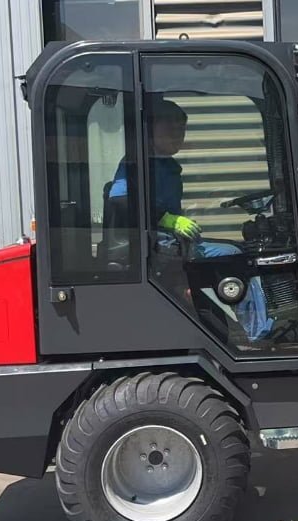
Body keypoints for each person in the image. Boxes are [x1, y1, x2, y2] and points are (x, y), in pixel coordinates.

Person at [109, 98, 273, 340]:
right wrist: (166, 219)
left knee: (236, 248)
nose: (177, 134)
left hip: (171, 240)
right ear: (149, 129)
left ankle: (231, 329)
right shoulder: (137, 163)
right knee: (235, 256)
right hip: (154, 244)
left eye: (181, 128)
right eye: (170, 127)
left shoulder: (168, 166)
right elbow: (120, 198)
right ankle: (260, 333)